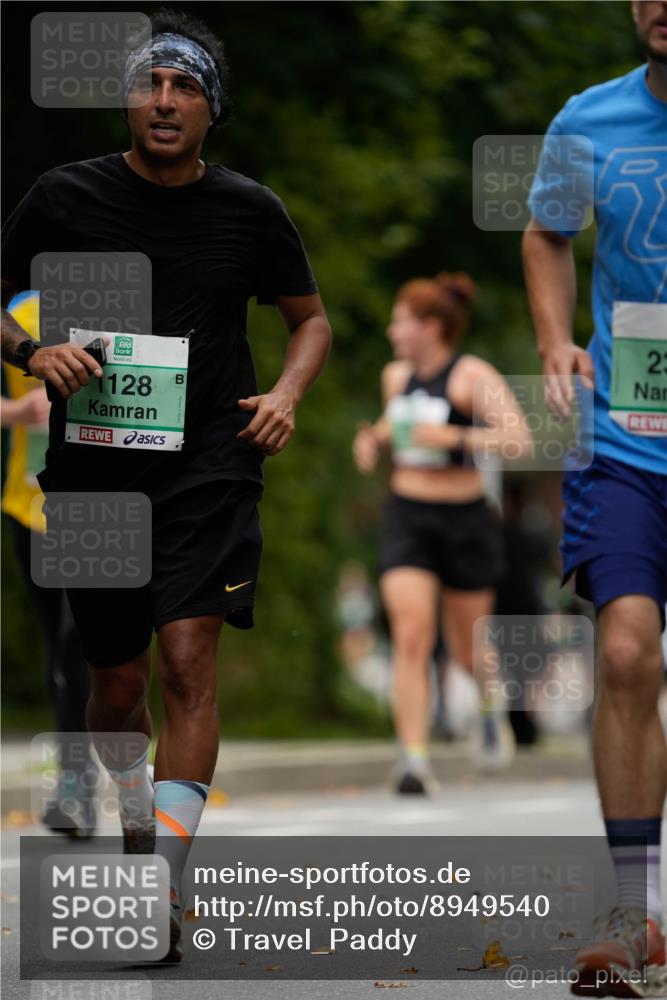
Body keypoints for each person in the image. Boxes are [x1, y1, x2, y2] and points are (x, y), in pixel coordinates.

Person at [1, 9, 332, 962]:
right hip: (92, 469)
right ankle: (139, 833)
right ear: (126, 102)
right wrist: (33, 349)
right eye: (149, 84)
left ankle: (158, 884)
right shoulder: (63, 197)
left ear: (210, 109)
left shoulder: (249, 211)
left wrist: (286, 393)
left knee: (187, 661)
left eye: (184, 86)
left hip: (210, 467)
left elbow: (309, 322)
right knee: (115, 687)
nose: (163, 100)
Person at [522, 1, 667, 990]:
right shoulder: (588, 119)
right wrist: (549, 336)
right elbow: (544, 234)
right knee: (623, 650)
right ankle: (632, 912)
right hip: (626, 432)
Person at [353, 272, 530, 794]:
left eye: (400, 322)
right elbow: (393, 425)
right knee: (410, 636)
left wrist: (453, 433)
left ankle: (490, 710)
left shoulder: (470, 376)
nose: (392, 332)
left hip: (465, 519)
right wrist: (372, 441)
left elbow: (520, 440)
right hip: (408, 515)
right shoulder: (394, 376)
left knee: (466, 649)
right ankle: (413, 758)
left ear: (430, 327)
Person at [1, 289, 97, 838]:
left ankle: (78, 786)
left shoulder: (123, 309)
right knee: (60, 652)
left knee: (77, 641)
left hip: (98, 511)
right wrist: (16, 410)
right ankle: (77, 777)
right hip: (29, 508)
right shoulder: (18, 312)